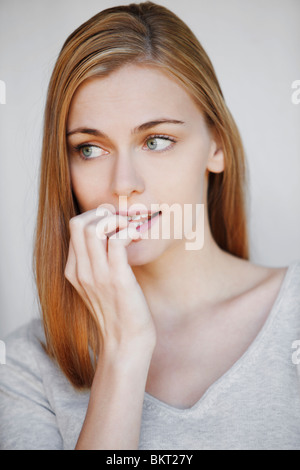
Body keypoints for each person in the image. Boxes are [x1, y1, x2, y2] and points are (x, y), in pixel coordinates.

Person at [0, 1, 300, 451]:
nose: (123, 185)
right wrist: (124, 350)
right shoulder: (24, 366)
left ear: (216, 146)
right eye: (89, 149)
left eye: (156, 141)